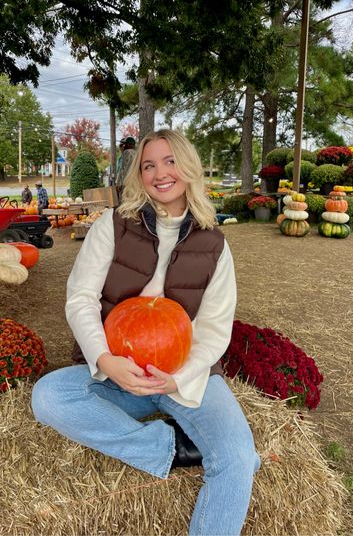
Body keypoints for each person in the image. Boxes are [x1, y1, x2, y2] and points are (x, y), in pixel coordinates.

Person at [31, 129, 260, 536]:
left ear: (189, 167)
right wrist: (105, 361)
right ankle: (170, 449)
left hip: (186, 377)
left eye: (170, 161)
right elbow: (81, 298)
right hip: (118, 372)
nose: (160, 173)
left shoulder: (215, 244)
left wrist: (180, 376)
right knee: (49, 396)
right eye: (149, 165)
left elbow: (214, 325)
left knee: (239, 458)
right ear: (139, 175)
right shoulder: (113, 225)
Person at [115, 136, 137, 201]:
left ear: (129, 144)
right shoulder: (136, 153)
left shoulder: (127, 153)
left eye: (125, 144)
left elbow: (123, 170)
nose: (123, 146)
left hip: (126, 184)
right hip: (135, 184)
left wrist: (119, 184)